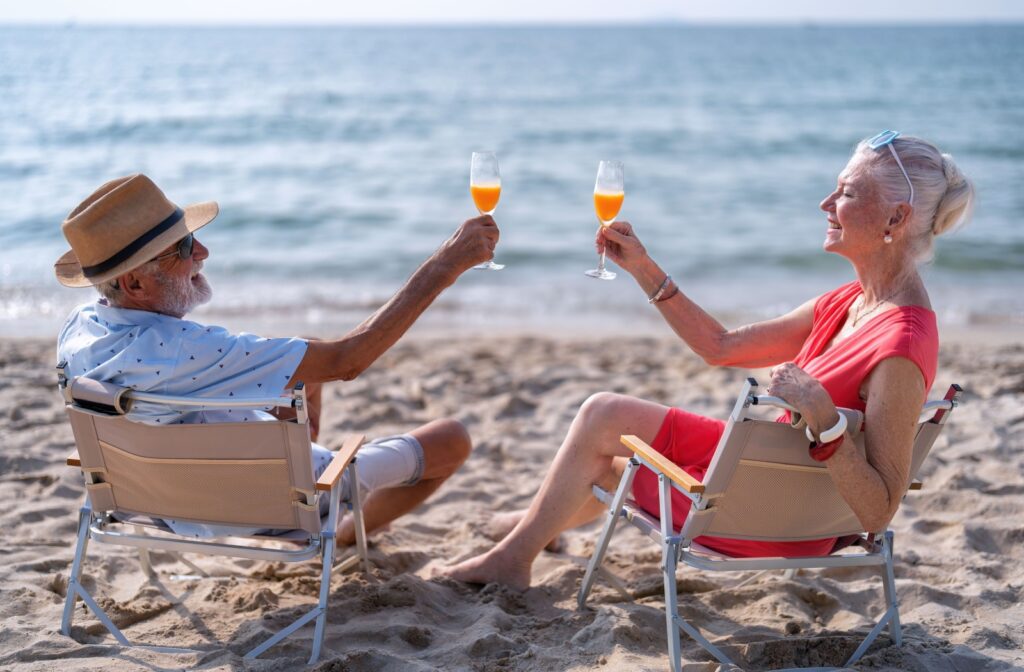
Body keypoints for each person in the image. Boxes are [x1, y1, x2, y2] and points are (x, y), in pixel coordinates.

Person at [443, 131, 975, 590]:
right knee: (605, 425)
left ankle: (514, 555)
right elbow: (720, 346)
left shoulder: (901, 344)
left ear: (896, 217)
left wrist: (823, 417)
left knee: (606, 433)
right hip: (764, 478)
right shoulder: (849, 302)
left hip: (775, 515)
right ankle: (532, 528)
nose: (824, 203)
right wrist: (645, 269)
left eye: (846, 193)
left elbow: (880, 509)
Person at [56, 173, 499, 540]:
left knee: (299, 358)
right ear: (134, 284)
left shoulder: (80, 329)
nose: (203, 254)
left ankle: (320, 492)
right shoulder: (184, 351)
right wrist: (445, 265)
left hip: (149, 495)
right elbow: (349, 360)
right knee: (451, 438)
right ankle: (341, 533)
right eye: (186, 248)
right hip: (265, 501)